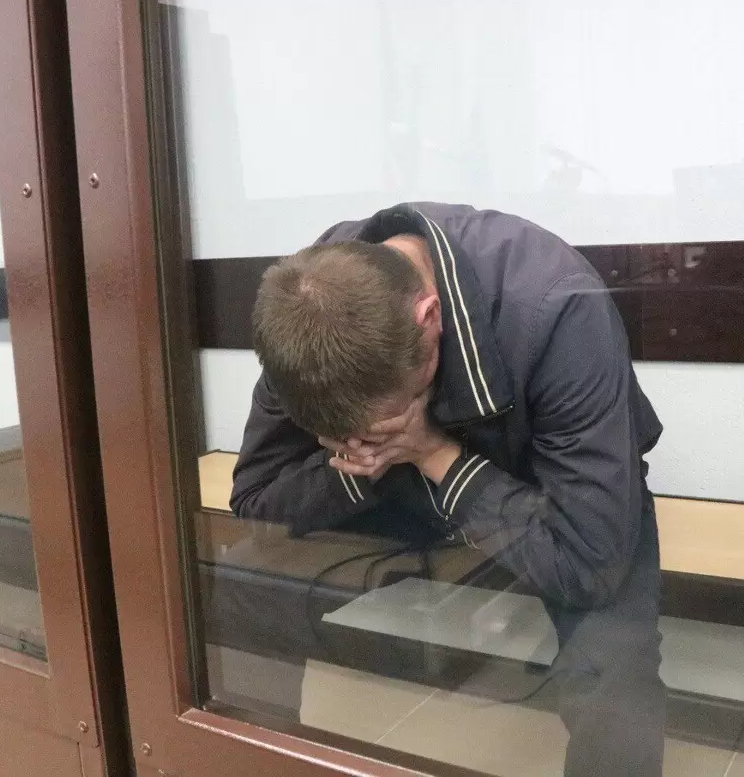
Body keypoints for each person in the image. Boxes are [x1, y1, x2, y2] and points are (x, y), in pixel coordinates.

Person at [231, 202, 666, 776]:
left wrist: (434, 453)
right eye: (352, 434)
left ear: (430, 318)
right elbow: (257, 499)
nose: (374, 435)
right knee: (244, 581)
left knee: (616, 666)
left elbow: (591, 561)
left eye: (393, 415)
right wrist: (367, 459)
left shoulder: (557, 305)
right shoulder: (308, 312)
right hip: (392, 481)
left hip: (544, 484)